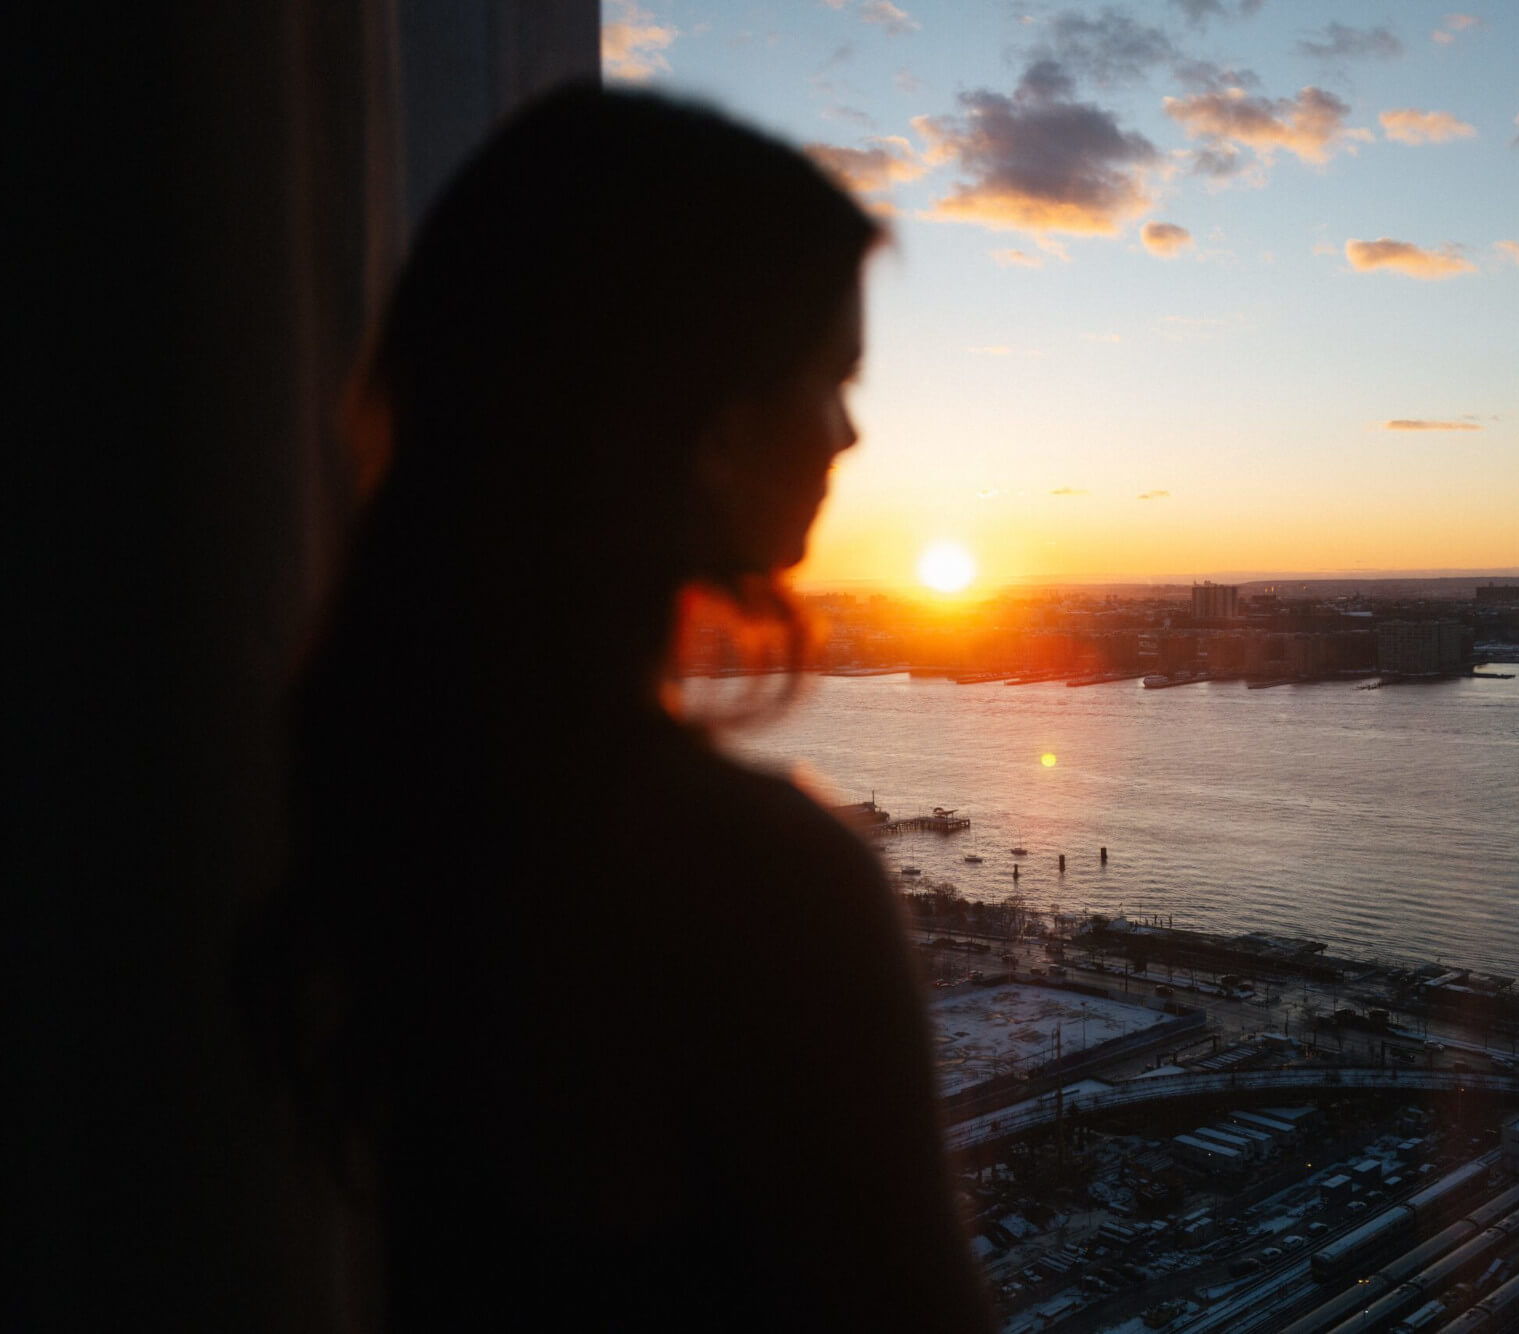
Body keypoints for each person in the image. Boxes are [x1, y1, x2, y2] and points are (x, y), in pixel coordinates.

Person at [238, 83, 995, 1331]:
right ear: (708, 427)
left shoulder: (416, 788)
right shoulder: (757, 883)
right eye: (829, 380)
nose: (849, 435)